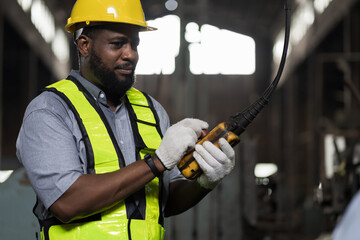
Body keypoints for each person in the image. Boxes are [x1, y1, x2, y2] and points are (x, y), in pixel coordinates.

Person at [16, 0, 236, 239]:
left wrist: (204, 182)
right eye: (117, 44)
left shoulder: (152, 111)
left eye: (134, 44)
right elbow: (67, 202)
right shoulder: (51, 110)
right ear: (84, 46)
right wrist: (157, 162)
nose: (130, 54)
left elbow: (163, 201)